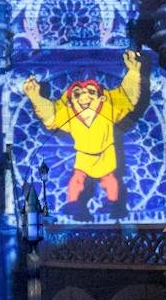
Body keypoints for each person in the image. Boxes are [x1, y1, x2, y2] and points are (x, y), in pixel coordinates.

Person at [23, 51, 146, 212]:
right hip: (84, 155)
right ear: (71, 101)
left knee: (109, 179)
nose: (84, 97)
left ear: (101, 98)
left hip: (105, 153)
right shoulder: (71, 115)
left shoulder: (108, 110)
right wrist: (35, 97)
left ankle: (113, 203)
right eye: (78, 94)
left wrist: (134, 72)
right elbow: (51, 115)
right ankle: (73, 203)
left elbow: (126, 96)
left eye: (91, 92)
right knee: (77, 179)